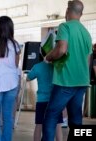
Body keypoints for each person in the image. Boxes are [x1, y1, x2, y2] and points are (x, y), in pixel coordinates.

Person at [42, 0, 92, 140]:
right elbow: (87, 61)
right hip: (82, 82)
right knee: (76, 119)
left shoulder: (64, 27)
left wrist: (49, 56)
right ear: (81, 14)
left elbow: (61, 49)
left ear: (67, 11)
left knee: (51, 115)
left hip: (66, 81)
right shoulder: (87, 33)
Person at [27, 48, 63, 141]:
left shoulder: (37, 66)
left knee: (39, 125)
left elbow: (28, 78)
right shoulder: (57, 66)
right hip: (55, 101)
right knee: (58, 125)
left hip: (42, 101)